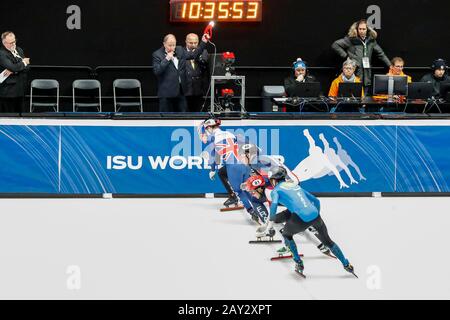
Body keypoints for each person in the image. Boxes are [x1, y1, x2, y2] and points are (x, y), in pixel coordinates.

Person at [258, 166, 355, 277]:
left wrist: (270, 223)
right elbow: (316, 200)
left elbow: (274, 205)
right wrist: (315, 217)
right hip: (315, 216)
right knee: (328, 242)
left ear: (273, 180)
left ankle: (298, 262)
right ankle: (347, 264)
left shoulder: (276, 190)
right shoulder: (294, 185)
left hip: (300, 218)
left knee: (286, 234)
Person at [238, 144, 333, 257]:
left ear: (249, 155)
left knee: (276, 217)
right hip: (291, 183)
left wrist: (251, 185)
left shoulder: (255, 162)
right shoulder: (262, 158)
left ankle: (278, 233)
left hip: (283, 186)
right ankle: (319, 243)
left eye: (242, 155)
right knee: (294, 218)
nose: (240, 158)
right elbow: (269, 176)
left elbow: (268, 180)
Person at [199, 117, 248, 209]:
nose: (207, 131)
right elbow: (244, 143)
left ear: (210, 128)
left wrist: (212, 170)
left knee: (222, 173)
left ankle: (236, 197)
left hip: (233, 165)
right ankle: (236, 196)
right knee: (222, 172)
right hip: (243, 163)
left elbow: (213, 157)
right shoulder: (229, 133)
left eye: (207, 129)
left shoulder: (214, 138)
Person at [332, 19, 391, 95]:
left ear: (367, 29)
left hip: (366, 75)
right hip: (354, 74)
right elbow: (335, 45)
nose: (362, 31)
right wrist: (346, 56)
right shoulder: (351, 39)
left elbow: (381, 54)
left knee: (364, 99)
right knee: (353, 98)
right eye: (360, 29)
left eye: (364, 29)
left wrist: (390, 65)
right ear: (356, 29)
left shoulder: (371, 41)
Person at [152, 33, 209, 112]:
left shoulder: (179, 50)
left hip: (180, 92)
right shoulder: (157, 54)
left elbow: (193, 55)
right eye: (169, 45)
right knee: (166, 118)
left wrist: (203, 42)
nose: (172, 47)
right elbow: (157, 71)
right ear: (164, 44)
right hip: (166, 93)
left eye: (174, 45)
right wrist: (167, 59)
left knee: (183, 116)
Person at [0, 31, 31, 113]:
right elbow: (13, 67)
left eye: (14, 41)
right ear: (4, 43)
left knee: (21, 117)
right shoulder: (2, 54)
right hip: (9, 92)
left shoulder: (19, 50)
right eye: (11, 43)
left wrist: (13, 71)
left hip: (21, 89)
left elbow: (27, 67)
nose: (14, 44)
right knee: (9, 118)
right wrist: (23, 62)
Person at [184, 33, 209, 112]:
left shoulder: (203, 52)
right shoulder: (181, 52)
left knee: (198, 113)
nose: (193, 45)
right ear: (186, 42)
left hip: (199, 88)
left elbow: (205, 66)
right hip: (185, 89)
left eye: (195, 43)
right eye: (191, 43)